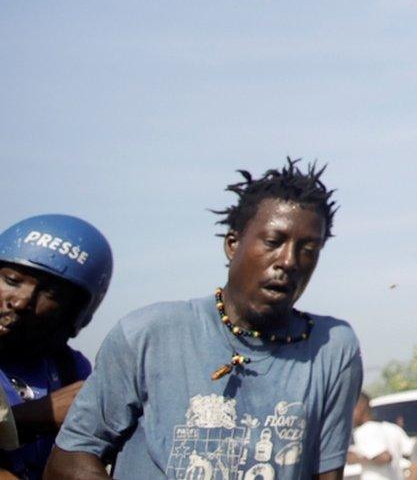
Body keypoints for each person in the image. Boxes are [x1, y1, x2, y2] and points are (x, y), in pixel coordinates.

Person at [46, 159, 363, 479]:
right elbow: (68, 460)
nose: (288, 261)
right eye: (273, 242)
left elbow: (327, 474)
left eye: (308, 249)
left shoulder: (331, 347)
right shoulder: (148, 334)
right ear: (232, 243)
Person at [0, 214, 113, 479]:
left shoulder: (70, 369)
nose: (21, 302)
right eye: (12, 280)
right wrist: (37, 415)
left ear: (75, 313)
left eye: (51, 294)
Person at [348, 393, 413, 480]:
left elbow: (384, 457)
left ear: (360, 407)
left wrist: (353, 458)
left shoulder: (364, 431)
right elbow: (410, 451)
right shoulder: (392, 428)